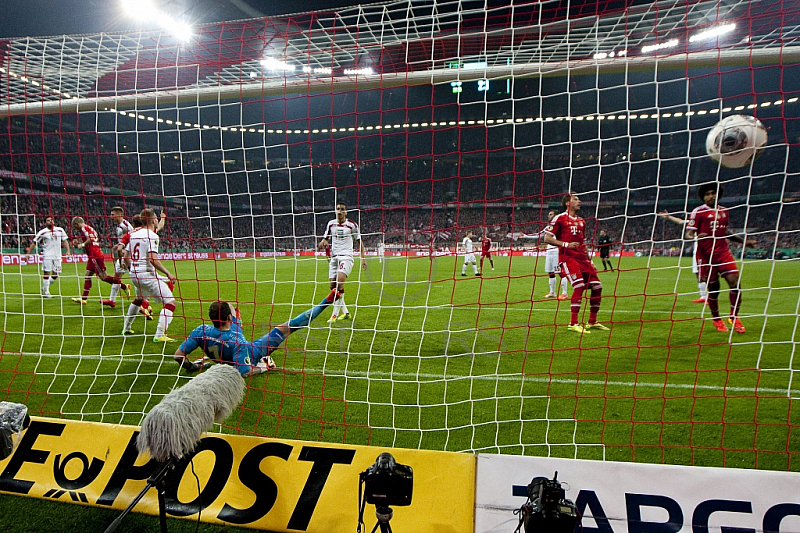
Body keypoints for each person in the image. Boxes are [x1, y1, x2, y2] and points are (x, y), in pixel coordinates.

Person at [173, 289, 341, 377]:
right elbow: (244, 372)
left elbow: (178, 356)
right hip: (255, 350)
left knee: (237, 321)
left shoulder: (200, 331)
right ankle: (325, 302)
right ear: (229, 318)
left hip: (223, 347)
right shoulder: (237, 339)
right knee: (290, 327)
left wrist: (192, 366)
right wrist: (263, 367)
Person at [686, 182, 754, 334]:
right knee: (714, 289)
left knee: (735, 282)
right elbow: (688, 233)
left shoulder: (724, 211)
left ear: (718, 194)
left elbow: (725, 232)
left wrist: (744, 242)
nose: (710, 196)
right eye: (707, 194)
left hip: (723, 252)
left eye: (713, 193)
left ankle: (734, 317)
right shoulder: (698, 212)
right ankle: (717, 319)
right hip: (705, 255)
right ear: (703, 197)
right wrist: (696, 236)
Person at [543, 193, 609, 334]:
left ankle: (592, 321)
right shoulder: (559, 218)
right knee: (579, 285)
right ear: (568, 203)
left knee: (597, 287)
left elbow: (582, 243)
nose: (579, 202)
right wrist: (565, 244)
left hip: (583, 259)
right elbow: (547, 238)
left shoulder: (582, 221)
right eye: (576, 199)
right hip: (567, 258)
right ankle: (573, 323)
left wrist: (590, 260)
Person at [120, 208, 178, 342]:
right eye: (157, 218)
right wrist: (168, 274)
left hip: (135, 275)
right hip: (146, 275)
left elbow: (126, 256)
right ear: (152, 220)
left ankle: (126, 328)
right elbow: (153, 259)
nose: (158, 220)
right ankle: (159, 335)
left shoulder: (133, 234)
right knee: (171, 302)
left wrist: (132, 269)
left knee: (139, 299)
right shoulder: (152, 236)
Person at [318, 202, 367, 323]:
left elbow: (359, 241)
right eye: (338, 209)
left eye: (342, 209)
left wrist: (363, 258)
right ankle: (345, 312)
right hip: (334, 258)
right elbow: (325, 239)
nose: (340, 211)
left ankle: (334, 315)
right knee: (332, 287)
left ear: (346, 212)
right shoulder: (331, 224)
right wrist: (322, 243)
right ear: (335, 211)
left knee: (339, 284)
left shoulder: (352, 225)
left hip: (346, 257)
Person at [70, 216, 126, 305]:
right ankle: (84, 299)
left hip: (95, 255)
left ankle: (124, 287)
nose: (76, 229)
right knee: (87, 275)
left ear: (77, 224)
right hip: (93, 255)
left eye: (75, 227)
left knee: (103, 277)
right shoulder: (89, 228)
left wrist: (82, 245)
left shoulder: (84, 228)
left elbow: (91, 239)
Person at [658, 210, 709, 304]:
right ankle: (703, 296)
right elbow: (681, 221)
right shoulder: (693, 223)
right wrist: (668, 217)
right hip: (697, 250)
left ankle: (710, 296)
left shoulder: (707, 223)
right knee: (697, 272)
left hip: (707, 249)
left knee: (706, 273)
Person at [25, 216, 70, 298]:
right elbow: (34, 242)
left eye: (51, 220)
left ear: (53, 221)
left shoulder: (60, 230)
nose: (50, 221)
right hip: (47, 255)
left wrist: (68, 251)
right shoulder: (42, 232)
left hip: (57, 255)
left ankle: (45, 287)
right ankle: (46, 291)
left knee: (56, 274)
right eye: (47, 220)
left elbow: (65, 241)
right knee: (47, 272)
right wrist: (28, 253)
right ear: (45, 223)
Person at [103, 206, 133, 308]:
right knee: (116, 277)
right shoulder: (119, 226)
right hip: (123, 254)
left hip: (128, 255)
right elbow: (124, 239)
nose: (110, 217)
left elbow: (132, 238)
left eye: (112, 215)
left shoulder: (125, 226)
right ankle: (112, 300)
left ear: (119, 215)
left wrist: (126, 252)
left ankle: (143, 300)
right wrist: (118, 245)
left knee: (137, 277)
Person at [542, 210, 568, 300]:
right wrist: (525, 236)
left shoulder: (561, 226)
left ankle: (564, 293)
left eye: (551, 214)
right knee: (550, 272)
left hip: (556, 251)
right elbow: (540, 235)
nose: (548, 216)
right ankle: (552, 292)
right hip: (549, 252)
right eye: (548, 214)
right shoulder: (549, 226)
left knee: (561, 273)